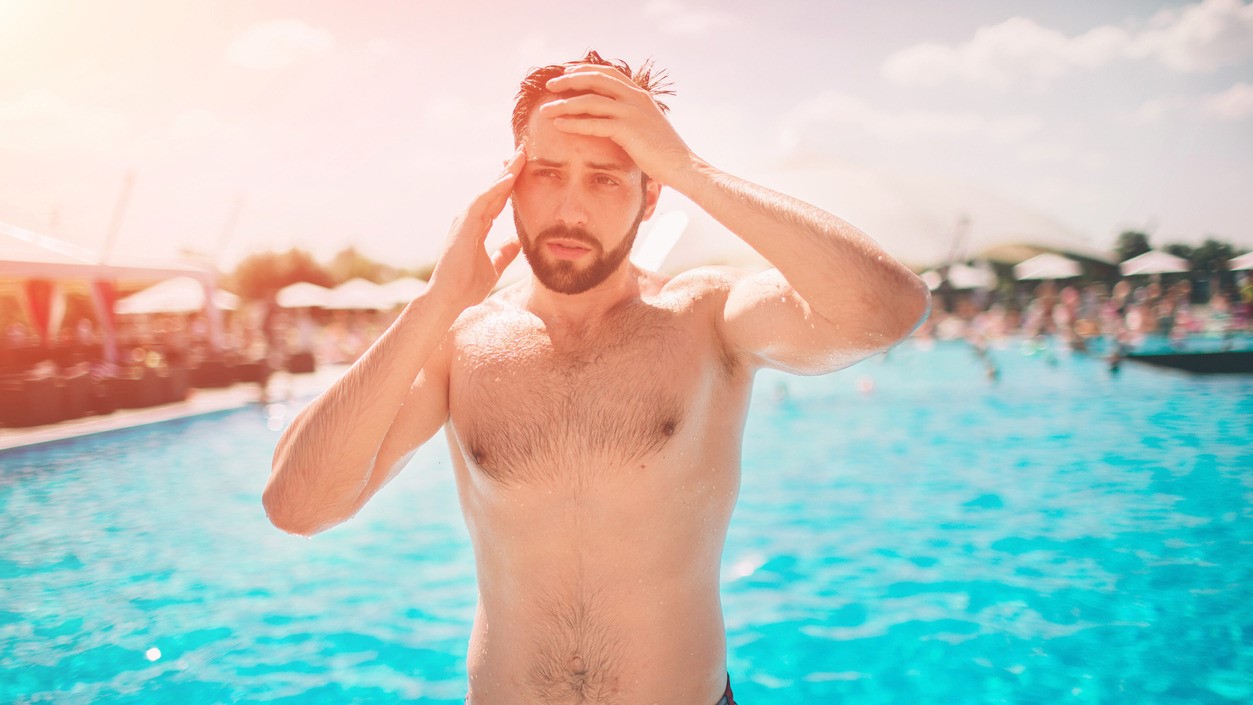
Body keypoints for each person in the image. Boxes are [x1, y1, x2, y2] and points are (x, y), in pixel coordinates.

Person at [263, 51, 929, 705]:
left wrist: (689, 167)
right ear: (509, 181)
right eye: (547, 172)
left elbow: (885, 310)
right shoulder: (459, 340)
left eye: (607, 178)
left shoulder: (708, 317)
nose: (571, 209)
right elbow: (296, 505)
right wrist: (436, 302)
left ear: (649, 195)